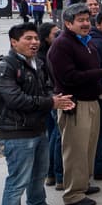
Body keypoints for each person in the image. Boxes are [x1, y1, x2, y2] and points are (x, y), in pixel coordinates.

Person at [0, 23, 72, 205]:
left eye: (36, 38)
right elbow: (14, 99)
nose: (34, 42)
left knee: (39, 173)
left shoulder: (38, 63)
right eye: (28, 38)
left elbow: (47, 87)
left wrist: (54, 99)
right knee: (17, 181)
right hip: (16, 133)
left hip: (38, 127)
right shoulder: (4, 67)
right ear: (13, 42)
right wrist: (50, 102)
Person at [47, 3, 102, 205]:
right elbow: (69, 77)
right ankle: (73, 194)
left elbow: (89, 70)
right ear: (68, 23)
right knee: (75, 150)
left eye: (87, 19)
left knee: (88, 147)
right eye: (81, 20)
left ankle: (83, 183)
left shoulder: (86, 42)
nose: (86, 24)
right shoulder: (62, 45)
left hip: (92, 101)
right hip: (75, 104)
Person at [36, 22, 65, 189]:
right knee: (57, 136)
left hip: (49, 98)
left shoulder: (52, 51)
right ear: (46, 38)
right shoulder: (44, 57)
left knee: (53, 135)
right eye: (56, 34)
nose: (59, 36)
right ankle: (58, 175)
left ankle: (52, 174)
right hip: (51, 99)